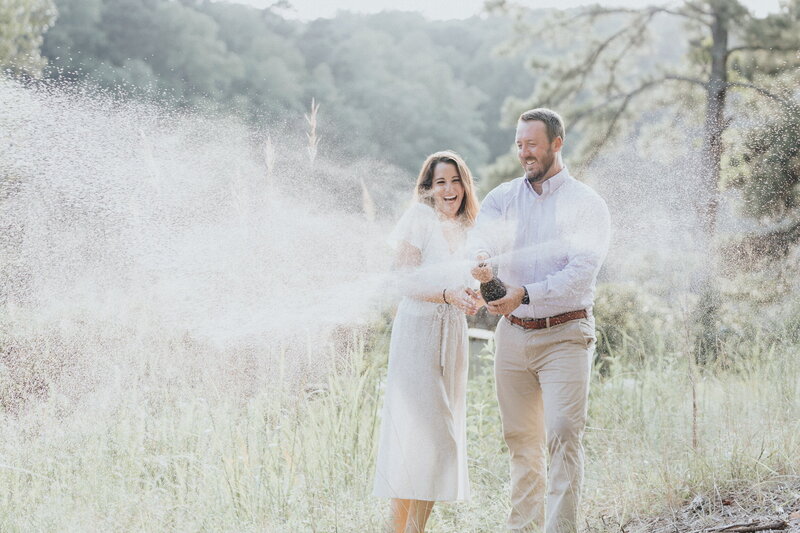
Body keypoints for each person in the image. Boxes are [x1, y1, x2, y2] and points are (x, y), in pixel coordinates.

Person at [470, 109, 611, 533]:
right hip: (512, 337)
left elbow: (580, 272)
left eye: (532, 144)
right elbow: (481, 241)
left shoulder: (586, 204)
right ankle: (522, 528)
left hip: (566, 335)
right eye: (519, 144)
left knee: (563, 434)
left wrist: (524, 294)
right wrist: (480, 266)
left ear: (556, 143)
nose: (524, 153)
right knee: (521, 441)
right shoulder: (501, 198)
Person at [373, 151, 482, 533]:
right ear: (429, 189)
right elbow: (402, 279)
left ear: (465, 185)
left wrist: (474, 296)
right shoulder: (420, 217)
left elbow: (467, 286)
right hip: (418, 334)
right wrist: (448, 294)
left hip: (452, 338)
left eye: (455, 181)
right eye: (440, 182)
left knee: (428, 444)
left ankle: (404, 530)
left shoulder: (471, 230)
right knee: (435, 439)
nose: (449, 189)